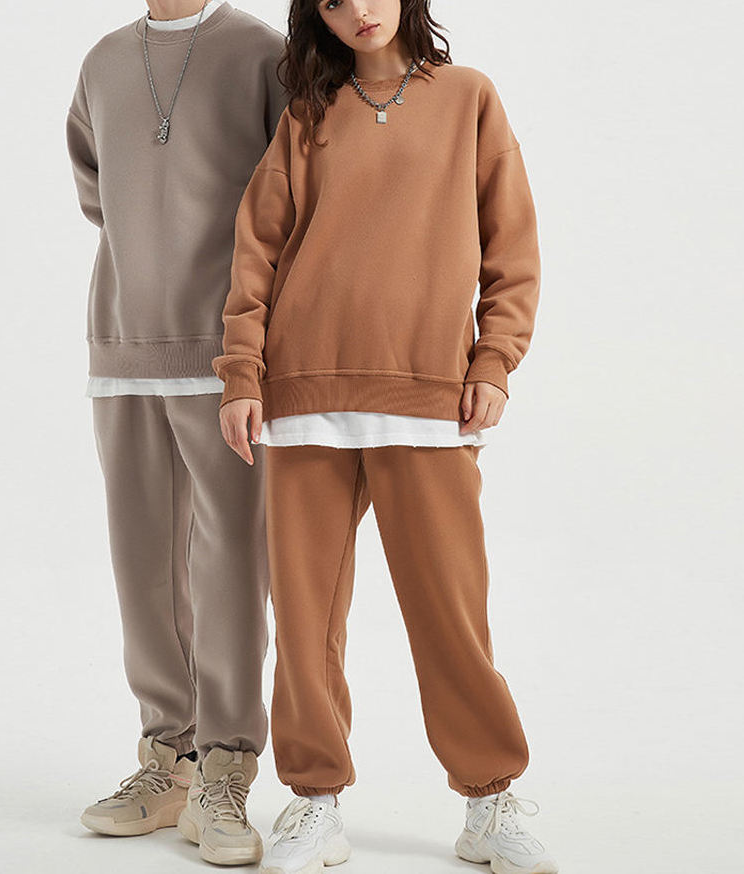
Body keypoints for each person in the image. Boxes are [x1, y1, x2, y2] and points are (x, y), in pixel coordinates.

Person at [211, 0, 558, 872]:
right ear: (316, 16)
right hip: (304, 395)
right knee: (305, 621)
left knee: (450, 614)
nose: (358, 12)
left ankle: (488, 802)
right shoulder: (306, 115)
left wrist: (493, 363)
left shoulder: (468, 97)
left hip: (427, 397)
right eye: (332, 1)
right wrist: (243, 373)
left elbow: (512, 249)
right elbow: (257, 250)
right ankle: (314, 803)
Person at [65, 1, 287, 865]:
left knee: (230, 559)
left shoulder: (261, 52)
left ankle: (228, 766)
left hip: (227, 351)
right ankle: (170, 760)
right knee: (142, 560)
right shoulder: (103, 61)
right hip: (123, 340)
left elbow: (293, 197)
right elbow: (97, 193)